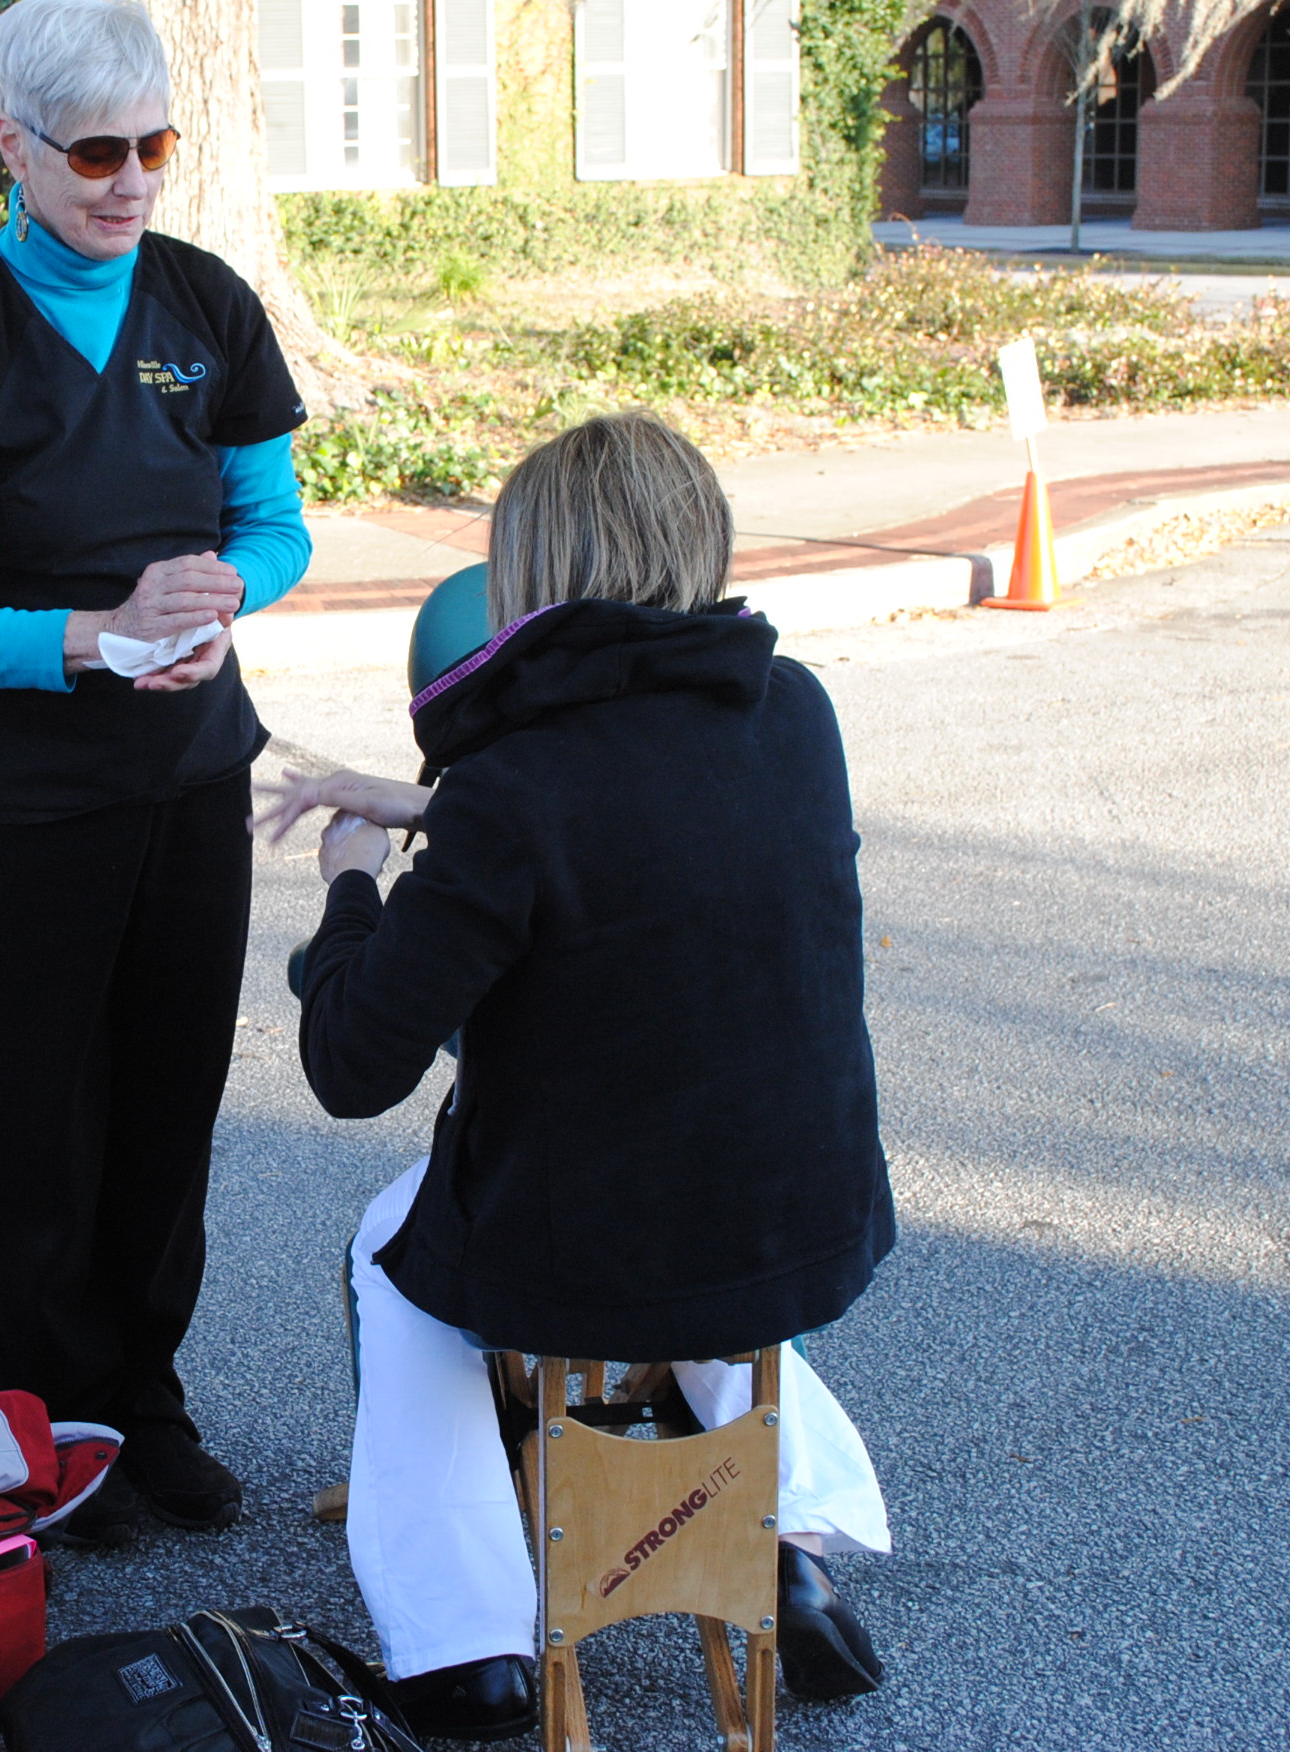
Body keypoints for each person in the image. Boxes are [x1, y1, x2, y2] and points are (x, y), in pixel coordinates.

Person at [256, 414, 896, 1736]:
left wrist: (353, 889)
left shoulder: (517, 781)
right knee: (695, 1231)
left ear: (532, 572)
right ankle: (792, 1545)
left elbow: (353, 1063)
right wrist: (432, 806)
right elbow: (655, 818)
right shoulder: (795, 712)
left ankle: (466, 1642)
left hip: (597, 1250)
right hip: (802, 1221)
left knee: (398, 1262)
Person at [0, 0, 312, 1547]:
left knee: (168, 1114)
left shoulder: (205, 305)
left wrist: (229, 595)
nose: (128, 180)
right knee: (30, 1130)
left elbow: (277, 521)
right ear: (12, 149)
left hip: (186, 780)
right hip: (8, 812)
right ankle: (44, 1430)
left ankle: (149, 1407)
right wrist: (93, 641)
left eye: (156, 146)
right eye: (95, 151)